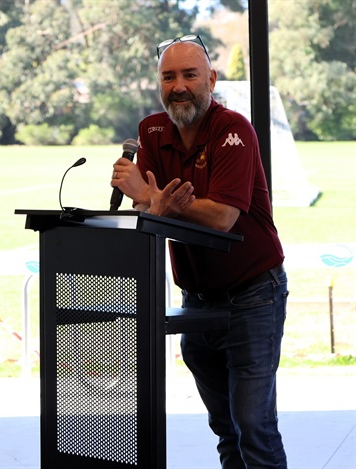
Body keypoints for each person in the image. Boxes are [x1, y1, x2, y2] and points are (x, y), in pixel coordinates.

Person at [111, 34, 289, 469]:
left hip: (253, 296)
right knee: (226, 428)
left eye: (190, 75)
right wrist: (155, 203)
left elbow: (222, 218)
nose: (179, 86)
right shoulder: (151, 130)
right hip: (196, 298)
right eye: (168, 77)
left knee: (254, 426)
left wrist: (157, 204)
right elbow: (146, 205)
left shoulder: (234, 130)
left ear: (210, 78)